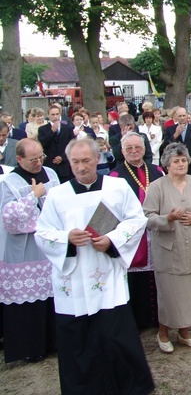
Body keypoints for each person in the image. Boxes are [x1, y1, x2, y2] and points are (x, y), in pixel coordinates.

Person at [34, 139, 154, 394]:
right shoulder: (57, 195)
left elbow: (136, 220)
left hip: (106, 274)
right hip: (73, 280)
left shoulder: (117, 187)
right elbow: (42, 233)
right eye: (75, 162)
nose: (81, 167)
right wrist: (66, 238)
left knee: (115, 335)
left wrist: (111, 240)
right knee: (78, 341)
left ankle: (130, 387)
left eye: (86, 160)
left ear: (98, 158)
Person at [143, 143, 191, 353]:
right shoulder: (156, 187)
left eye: (184, 160)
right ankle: (163, 332)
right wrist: (168, 219)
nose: (181, 164)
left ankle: (184, 332)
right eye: (176, 161)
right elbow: (147, 218)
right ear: (167, 164)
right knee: (169, 294)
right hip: (169, 251)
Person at [0, 139, 60, 363]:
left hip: (51, 248)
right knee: (29, 302)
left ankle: (54, 341)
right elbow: (9, 220)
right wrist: (32, 197)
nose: (38, 163)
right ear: (18, 159)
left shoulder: (51, 174)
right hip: (25, 250)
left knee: (53, 297)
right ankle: (31, 347)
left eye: (40, 157)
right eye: (33, 159)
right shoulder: (9, 183)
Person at [110, 131, 165, 330]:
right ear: (122, 151)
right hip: (133, 234)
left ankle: (159, 316)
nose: (134, 151)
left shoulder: (157, 170)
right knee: (136, 278)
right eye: (129, 148)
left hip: (155, 230)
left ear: (144, 149)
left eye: (138, 147)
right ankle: (139, 319)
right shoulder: (115, 175)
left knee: (157, 274)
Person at [38, 104, 76, 183]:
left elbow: (73, 145)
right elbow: (43, 144)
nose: (55, 116)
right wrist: (52, 131)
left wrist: (62, 157)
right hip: (50, 164)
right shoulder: (42, 129)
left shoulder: (68, 128)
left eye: (57, 114)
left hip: (65, 165)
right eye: (53, 114)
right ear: (48, 115)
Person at [162, 107, 191, 175]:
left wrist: (190, 159)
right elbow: (165, 146)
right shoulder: (170, 129)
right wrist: (175, 135)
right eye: (180, 116)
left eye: (184, 115)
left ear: (187, 115)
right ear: (176, 117)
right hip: (175, 165)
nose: (182, 118)